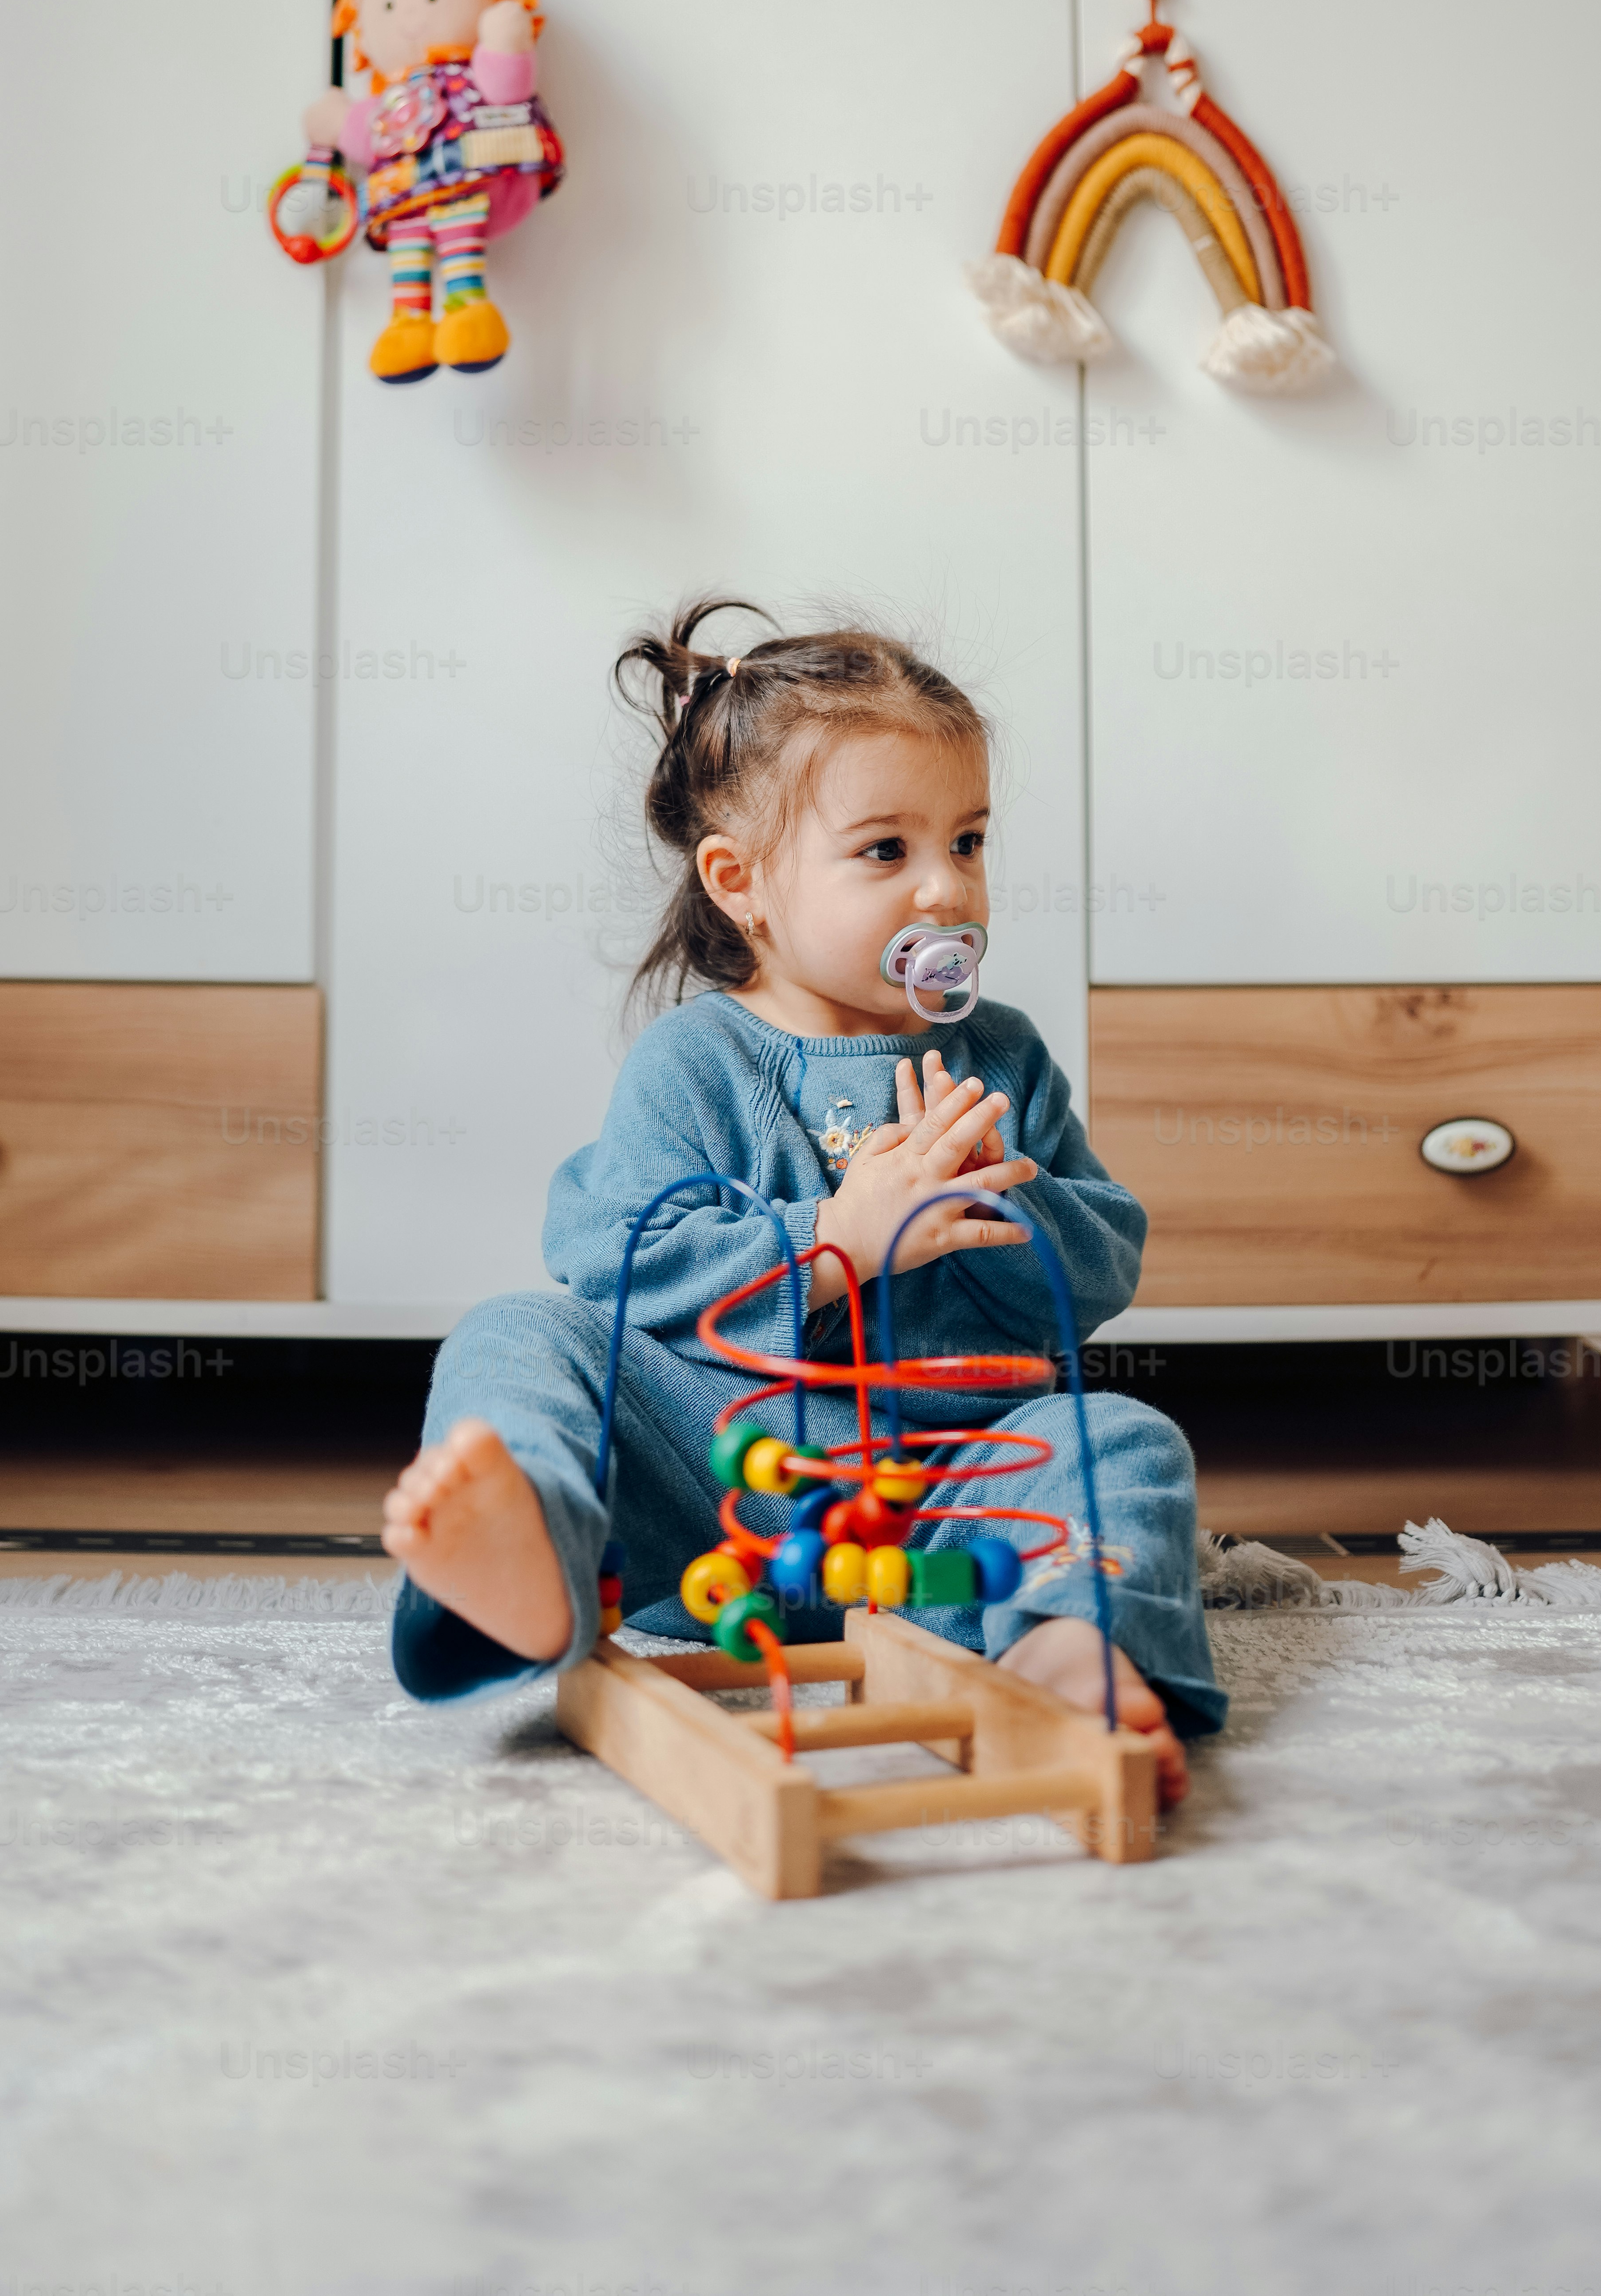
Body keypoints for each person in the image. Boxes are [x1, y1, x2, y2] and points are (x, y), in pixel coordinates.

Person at [383, 601, 1222, 1799]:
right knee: (521, 1331)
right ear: (743, 885)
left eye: (970, 842)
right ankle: (535, 1554)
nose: (946, 892)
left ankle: (1063, 1646)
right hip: (727, 1484)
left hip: (940, 1487)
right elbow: (609, 1251)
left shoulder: (1006, 1058)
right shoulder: (695, 1062)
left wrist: (1000, 1210)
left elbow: (1103, 1267)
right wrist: (834, 1243)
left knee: (1120, 1440)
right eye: (886, 852)